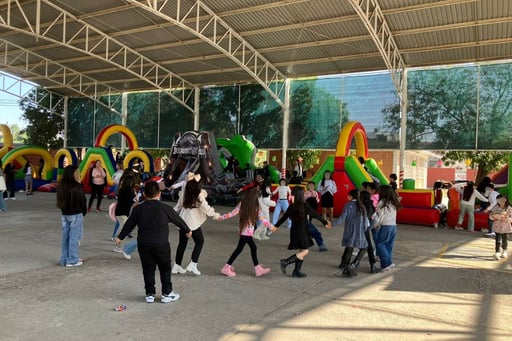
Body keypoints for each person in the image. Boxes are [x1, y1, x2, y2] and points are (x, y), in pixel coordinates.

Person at [115, 181, 192, 304]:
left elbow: (130, 223)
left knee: (148, 268)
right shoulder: (165, 208)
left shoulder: (138, 209)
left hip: (144, 244)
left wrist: (120, 237)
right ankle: (167, 293)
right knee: (165, 268)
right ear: (159, 194)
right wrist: (187, 230)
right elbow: (178, 220)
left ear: (144, 194)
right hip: (161, 244)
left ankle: (149, 294)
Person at [216, 188, 277, 277]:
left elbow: (232, 213)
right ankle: (227, 267)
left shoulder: (242, 204)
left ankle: (257, 268)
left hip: (244, 231)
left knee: (252, 247)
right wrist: (271, 227)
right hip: (246, 233)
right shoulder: (256, 207)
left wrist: (221, 217)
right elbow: (263, 219)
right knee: (240, 249)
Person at [277, 186, 331, 278]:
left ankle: (296, 271)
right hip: (302, 231)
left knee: (302, 250)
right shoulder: (304, 205)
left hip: (295, 231)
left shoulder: (292, 206)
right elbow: (315, 214)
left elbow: (284, 217)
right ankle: (285, 262)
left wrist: (276, 226)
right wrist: (325, 222)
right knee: (305, 251)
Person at [172, 173, 220, 276]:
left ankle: (177, 265)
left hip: (183, 218)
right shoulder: (198, 195)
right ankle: (193, 263)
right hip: (192, 220)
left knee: (182, 243)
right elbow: (206, 208)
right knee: (200, 241)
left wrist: (172, 213)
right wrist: (215, 214)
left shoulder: (185, 191)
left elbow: (179, 204)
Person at [333, 189, 369, 277]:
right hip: (359, 231)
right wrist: (365, 229)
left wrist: (332, 224)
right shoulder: (362, 206)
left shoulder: (348, 205)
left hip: (349, 230)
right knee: (364, 248)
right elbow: (365, 221)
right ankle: (354, 263)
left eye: (348, 195)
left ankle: (345, 265)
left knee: (349, 247)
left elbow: (342, 218)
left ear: (351, 196)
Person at [57, 165, 87, 267]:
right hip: (76, 214)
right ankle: (72, 259)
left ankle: (65, 258)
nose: (79, 174)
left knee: (66, 237)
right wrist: (83, 211)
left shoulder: (61, 186)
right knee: (74, 237)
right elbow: (82, 201)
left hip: (65, 214)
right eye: (77, 172)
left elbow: (60, 201)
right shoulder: (77, 186)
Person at [373, 185, 401, 271]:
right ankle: (384, 265)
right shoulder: (393, 202)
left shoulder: (382, 202)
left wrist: (376, 224)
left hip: (385, 226)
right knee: (388, 245)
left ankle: (388, 262)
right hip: (393, 226)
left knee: (380, 244)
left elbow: (379, 216)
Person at [112, 172, 139, 260]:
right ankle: (117, 244)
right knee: (126, 229)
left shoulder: (126, 189)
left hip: (122, 212)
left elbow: (129, 200)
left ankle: (116, 239)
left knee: (123, 227)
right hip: (121, 212)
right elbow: (128, 201)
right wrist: (134, 203)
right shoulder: (127, 190)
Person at [304, 181, 327, 251]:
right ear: (308, 186)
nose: (311, 187)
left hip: (313, 209)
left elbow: (317, 200)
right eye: (310, 186)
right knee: (309, 225)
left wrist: (316, 201)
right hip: (307, 211)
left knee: (310, 225)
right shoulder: (306, 193)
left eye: (312, 186)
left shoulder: (315, 193)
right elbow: (304, 201)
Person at [359, 190, 378, 273]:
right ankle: (372, 265)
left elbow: (368, 216)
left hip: (363, 227)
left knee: (366, 246)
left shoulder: (365, 206)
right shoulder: (369, 204)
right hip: (364, 227)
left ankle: (372, 265)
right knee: (366, 246)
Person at [489, 196, 512, 260]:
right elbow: (490, 215)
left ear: (506, 200)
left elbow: (511, 218)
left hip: (506, 226)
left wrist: (507, 218)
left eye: (503, 199)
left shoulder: (509, 208)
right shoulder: (496, 207)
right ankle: (497, 252)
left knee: (505, 239)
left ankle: (504, 250)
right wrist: (494, 217)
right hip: (497, 226)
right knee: (497, 240)